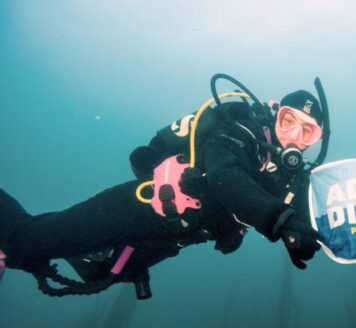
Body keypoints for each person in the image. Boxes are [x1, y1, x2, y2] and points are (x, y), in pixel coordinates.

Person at [0, 74, 328, 298]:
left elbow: (314, 219)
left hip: (164, 239)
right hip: (135, 208)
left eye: (307, 131)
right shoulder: (239, 130)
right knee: (24, 242)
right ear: (275, 114)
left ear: (316, 140)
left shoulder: (286, 176)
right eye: (289, 121)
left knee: (96, 272)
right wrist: (280, 221)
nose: (294, 136)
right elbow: (225, 177)